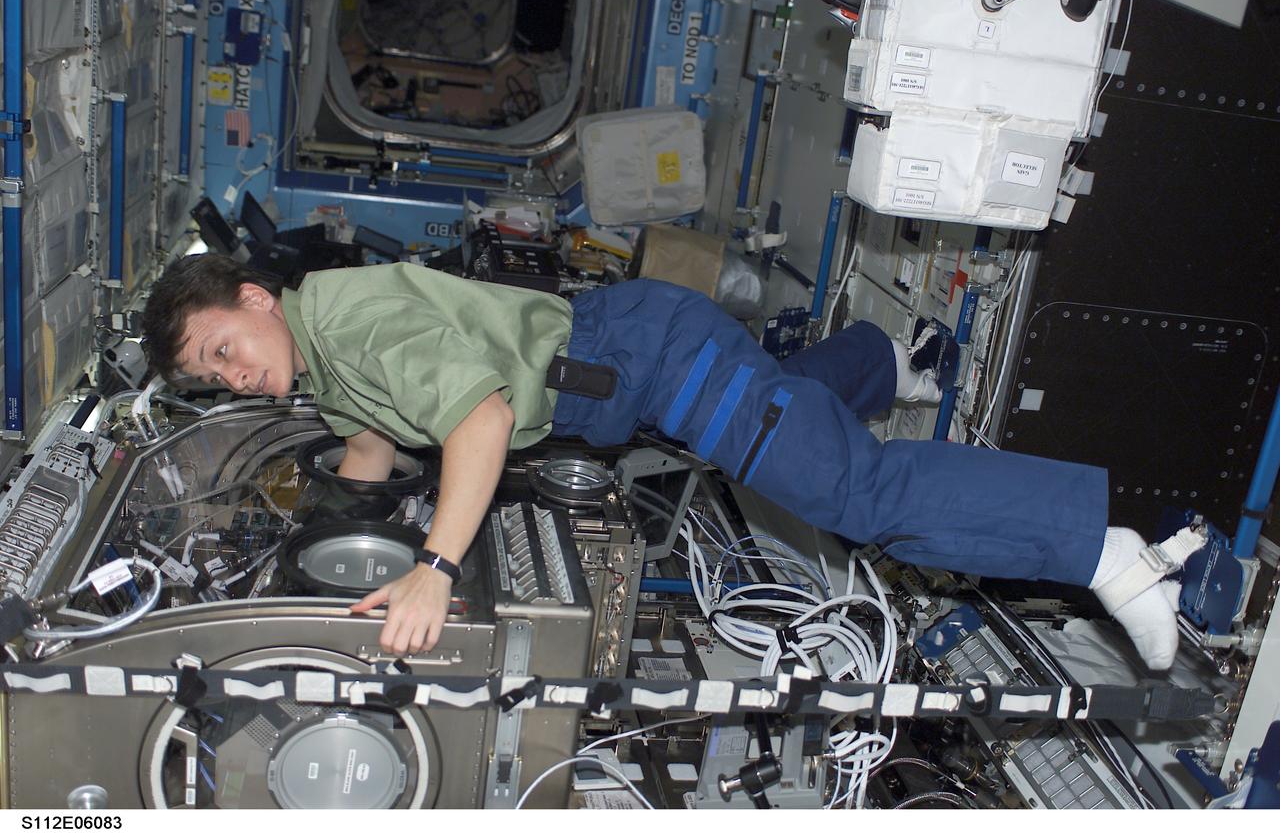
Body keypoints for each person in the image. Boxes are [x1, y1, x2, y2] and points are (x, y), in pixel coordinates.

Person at [141, 254, 1201, 670]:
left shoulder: (350, 319)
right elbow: (374, 435)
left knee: (855, 496)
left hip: (655, 363)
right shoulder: (321, 349)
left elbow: (476, 421)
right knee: (787, 435)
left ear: (255, 302)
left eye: (223, 350)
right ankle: (882, 358)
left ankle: (1103, 552)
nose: (231, 376)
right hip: (632, 367)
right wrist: (313, 536)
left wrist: (435, 567)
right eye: (212, 380)